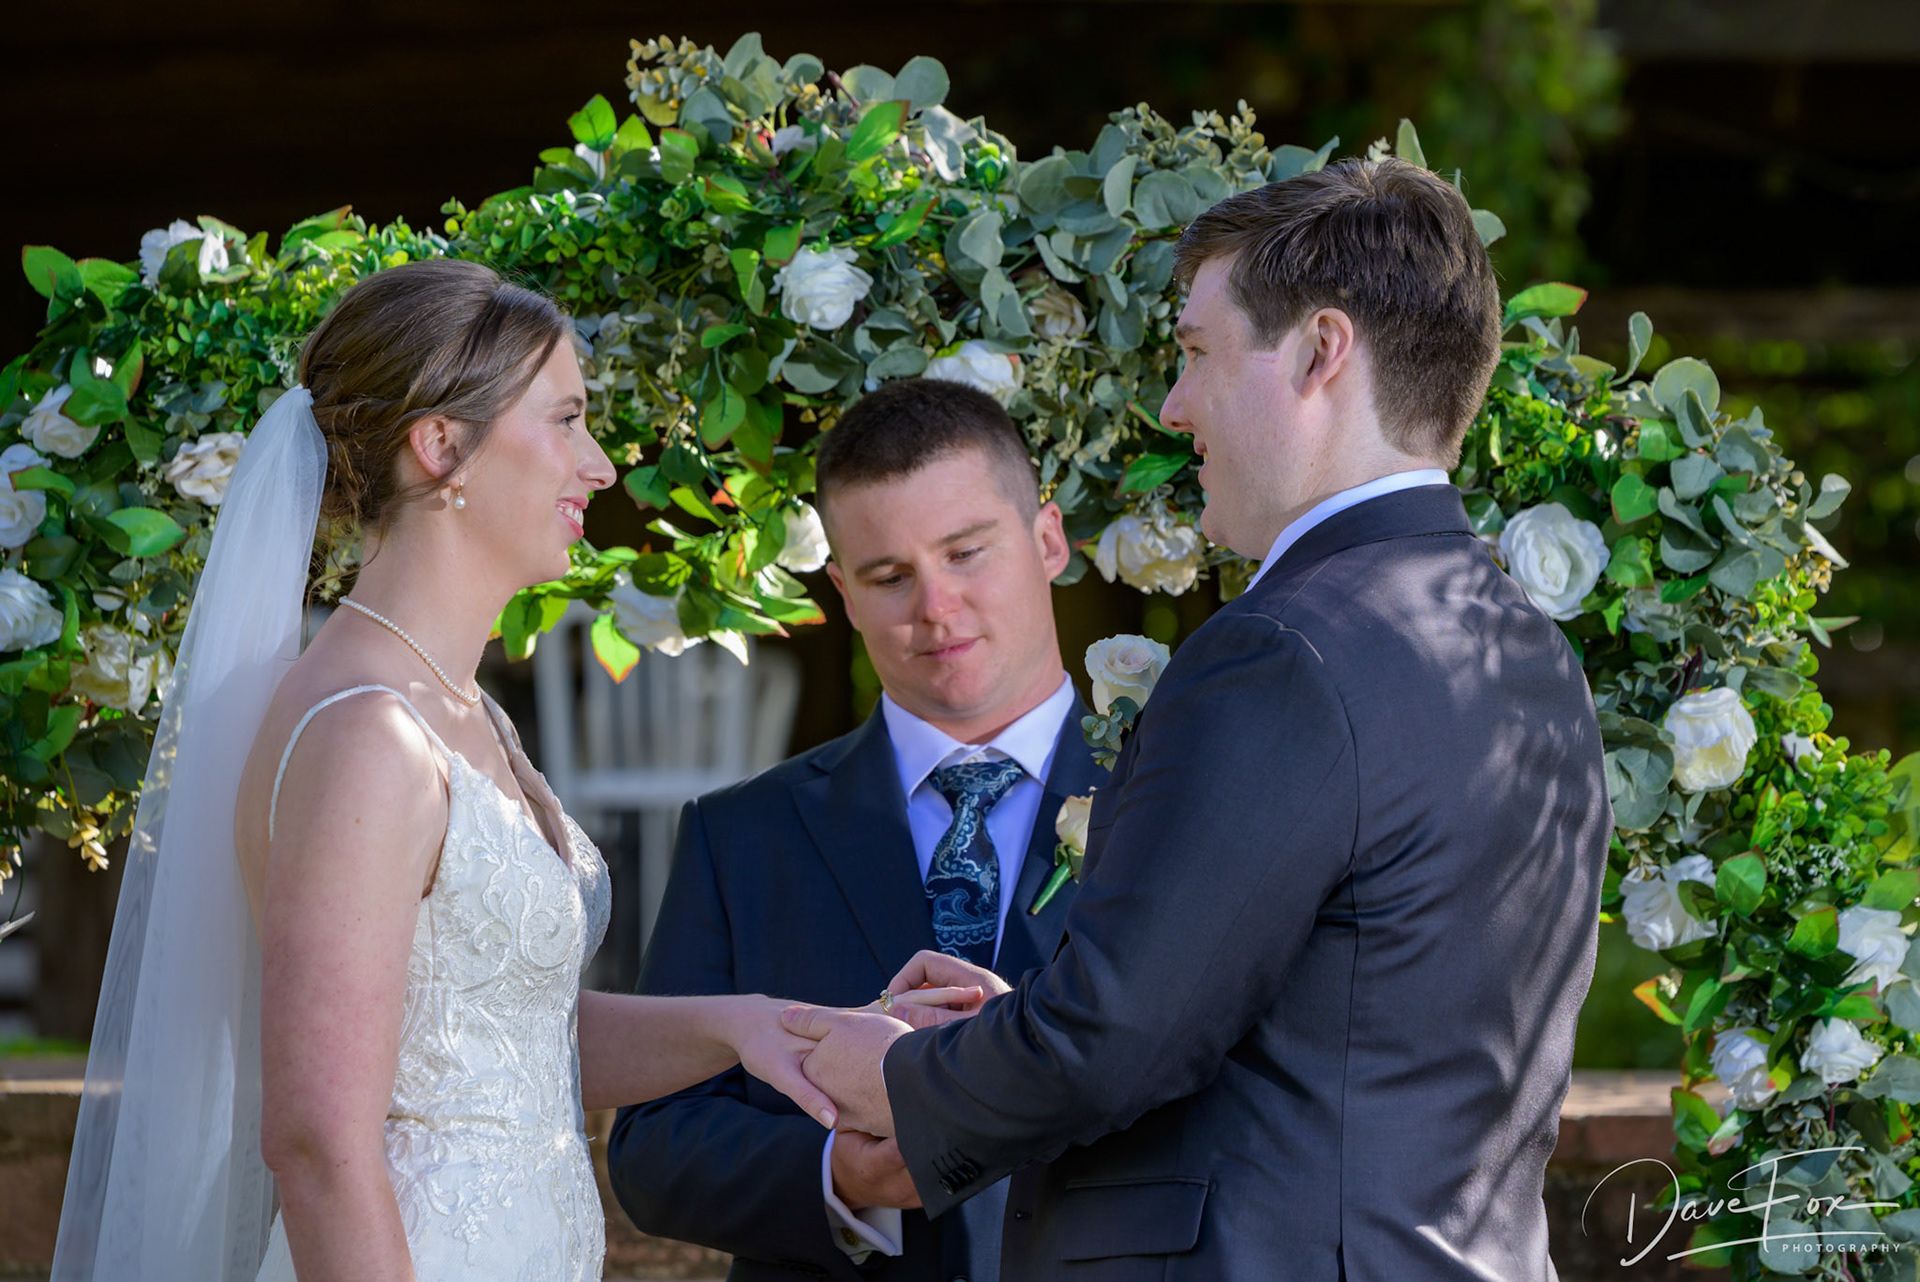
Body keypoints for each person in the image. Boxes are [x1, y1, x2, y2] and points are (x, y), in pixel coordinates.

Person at [50, 260, 966, 1282]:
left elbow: (500, 1039)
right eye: (567, 420)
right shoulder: (366, 735)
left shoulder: (457, 706)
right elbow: (316, 1142)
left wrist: (757, 1029)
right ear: (441, 446)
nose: (601, 467)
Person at [783, 157, 1614, 1281]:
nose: (1175, 406)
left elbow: (1119, 1038)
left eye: (1197, 352)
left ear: (1320, 351)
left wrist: (892, 1074)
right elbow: (1341, 1021)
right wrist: (1020, 1023)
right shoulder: (1527, 648)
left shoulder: (1287, 647)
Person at [607, 377, 1106, 1282]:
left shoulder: (1179, 790)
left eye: (966, 553)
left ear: (1047, 539)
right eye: (889, 577)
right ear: (842, 589)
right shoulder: (742, 833)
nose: (936, 606)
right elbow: (655, 1145)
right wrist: (840, 1176)